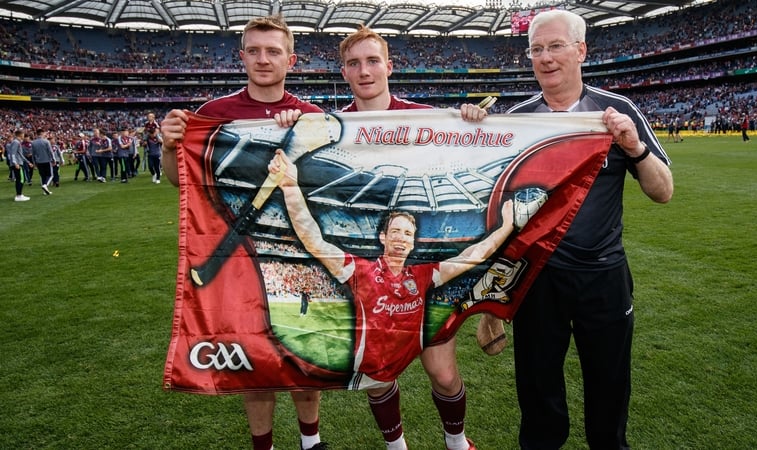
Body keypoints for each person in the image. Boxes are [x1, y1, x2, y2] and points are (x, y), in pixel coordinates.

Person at [462, 9, 673, 449]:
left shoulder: (617, 111)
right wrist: (470, 131)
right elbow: (485, 205)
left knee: (610, 391)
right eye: (536, 49)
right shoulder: (516, 122)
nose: (545, 57)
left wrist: (633, 147)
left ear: (580, 50)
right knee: (538, 398)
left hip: (603, 275)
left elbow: (663, 190)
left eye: (556, 46)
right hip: (538, 279)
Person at [269, 146, 514, 450]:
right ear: (383, 237)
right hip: (376, 359)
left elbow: (472, 256)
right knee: (381, 382)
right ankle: (396, 446)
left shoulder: (423, 275)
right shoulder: (358, 270)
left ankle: (458, 443)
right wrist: (291, 188)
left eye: (407, 233)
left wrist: (505, 227)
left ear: (413, 242)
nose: (401, 238)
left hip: (414, 340)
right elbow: (313, 239)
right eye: (395, 231)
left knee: (447, 377)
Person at [159, 15, 328, 450]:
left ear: (291, 60)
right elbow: (179, 180)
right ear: (241, 57)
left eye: (273, 51)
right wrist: (169, 145)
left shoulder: (310, 117)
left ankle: (312, 442)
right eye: (254, 51)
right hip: (237, 258)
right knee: (255, 360)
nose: (263, 59)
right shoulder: (212, 115)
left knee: (300, 353)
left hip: (294, 253)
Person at [335, 25, 481, 450]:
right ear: (344, 72)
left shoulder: (426, 119)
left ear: (389, 66)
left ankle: (456, 442)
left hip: (424, 261)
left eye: (373, 60)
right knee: (377, 374)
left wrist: (471, 122)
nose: (365, 71)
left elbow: (475, 158)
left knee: (443, 370)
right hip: (372, 265)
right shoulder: (333, 128)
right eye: (354, 63)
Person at [7, 129, 32, 201]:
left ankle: (19, 194)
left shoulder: (17, 142)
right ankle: (19, 195)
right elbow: (13, 153)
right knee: (20, 179)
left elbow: (20, 154)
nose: (24, 136)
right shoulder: (16, 142)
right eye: (23, 134)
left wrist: (28, 162)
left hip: (19, 162)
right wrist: (15, 163)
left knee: (21, 179)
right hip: (17, 163)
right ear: (20, 135)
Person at [30, 128, 55, 195]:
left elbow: (33, 154)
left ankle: (45, 191)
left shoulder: (33, 142)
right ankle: (45, 185)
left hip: (39, 161)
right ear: (42, 133)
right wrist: (53, 159)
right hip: (47, 160)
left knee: (42, 176)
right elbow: (50, 151)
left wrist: (34, 162)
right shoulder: (46, 141)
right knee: (50, 175)